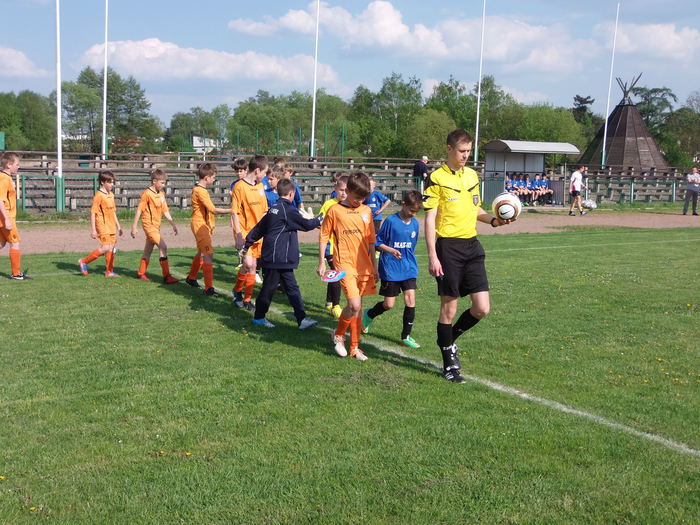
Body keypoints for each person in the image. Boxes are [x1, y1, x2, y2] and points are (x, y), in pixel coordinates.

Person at [424, 129, 514, 383]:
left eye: (468, 151)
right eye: (462, 151)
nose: (465, 156)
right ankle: (449, 365)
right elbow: (429, 219)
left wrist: (494, 221)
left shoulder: (472, 175)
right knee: (449, 308)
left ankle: (448, 339)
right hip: (448, 248)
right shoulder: (436, 178)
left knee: (482, 308)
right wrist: (432, 256)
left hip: (472, 246)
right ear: (449, 149)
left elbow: (475, 209)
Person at [244, 178, 321, 330]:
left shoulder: (273, 208)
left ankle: (302, 319)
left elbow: (259, 228)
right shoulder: (288, 210)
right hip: (278, 257)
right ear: (291, 193)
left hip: (276, 257)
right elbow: (306, 225)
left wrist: (248, 243)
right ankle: (259, 318)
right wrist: (319, 220)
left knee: (291, 288)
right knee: (269, 289)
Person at [318, 172, 378, 361]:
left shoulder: (366, 211)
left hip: (363, 266)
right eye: (357, 197)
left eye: (363, 198)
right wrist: (321, 261)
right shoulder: (334, 210)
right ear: (348, 190)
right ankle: (338, 335)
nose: (359, 201)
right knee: (354, 304)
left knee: (357, 308)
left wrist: (374, 267)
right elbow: (324, 236)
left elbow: (371, 241)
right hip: (343, 264)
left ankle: (354, 348)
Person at [362, 190, 423, 349]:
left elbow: (411, 246)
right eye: (411, 210)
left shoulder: (415, 224)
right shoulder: (391, 221)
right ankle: (369, 314)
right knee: (389, 304)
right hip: (390, 268)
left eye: (416, 212)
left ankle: (405, 336)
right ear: (403, 204)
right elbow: (377, 242)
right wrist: (390, 250)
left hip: (408, 267)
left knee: (410, 299)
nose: (413, 214)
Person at [184, 163, 232, 296]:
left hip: (203, 224)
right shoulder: (200, 191)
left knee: (201, 252)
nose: (214, 179)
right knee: (208, 254)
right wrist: (232, 210)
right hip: (200, 225)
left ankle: (191, 278)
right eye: (213, 177)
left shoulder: (200, 189)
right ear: (207, 177)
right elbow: (213, 209)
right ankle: (209, 289)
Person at [231, 155, 269, 310]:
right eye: (264, 172)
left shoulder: (260, 186)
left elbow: (264, 211)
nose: (265, 176)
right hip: (245, 232)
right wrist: (238, 235)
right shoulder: (239, 186)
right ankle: (238, 292)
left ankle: (246, 299)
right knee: (248, 264)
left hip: (258, 233)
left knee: (253, 267)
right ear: (257, 170)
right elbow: (234, 213)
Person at [130, 169, 179, 284]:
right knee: (163, 247)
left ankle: (141, 272)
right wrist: (134, 227)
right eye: (162, 183)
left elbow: (165, 211)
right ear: (154, 181)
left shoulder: (161, 194)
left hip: (156, 227)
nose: (163, 185)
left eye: (164, 183)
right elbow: (139, 210)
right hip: (149, 226)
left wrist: (173, 225)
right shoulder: (147, 194)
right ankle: (167, 276)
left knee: (148, 250)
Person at [78, 171, 123, 277]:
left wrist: (118, 226)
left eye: (112, 182)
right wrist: (94, 230)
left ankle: (109, 271)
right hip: (102, 225)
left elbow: (113, 212)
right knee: (106, 247)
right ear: (103, 182)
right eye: (110, 182)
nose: (112, 185)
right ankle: (84, 261)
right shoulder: (98, 195)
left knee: (111, 248)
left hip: (111, 225)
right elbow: (93, 212)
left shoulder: (111, 195)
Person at [319, 175, 349, 319]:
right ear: (335, 189)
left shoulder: (351, 205)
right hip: (330, 246)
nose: (344, 193)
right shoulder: (329, 204)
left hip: (344, 247)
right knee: (337, 273)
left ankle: (329, 301)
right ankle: (336, 306)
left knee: (334, 273)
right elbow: (319, 222)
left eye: (347, 190)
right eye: (341, 190)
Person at [0, 152, 31, 280]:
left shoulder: (5, 177)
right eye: (17, 164)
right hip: (6, 217)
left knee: (1, 243)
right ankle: (16, 274)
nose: (18, 166)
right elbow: (0, 200)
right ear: (8, 165)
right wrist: (7, 219)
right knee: (15, 243)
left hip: (4, 217)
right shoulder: (4, 178)